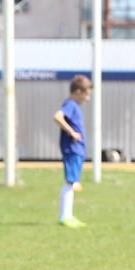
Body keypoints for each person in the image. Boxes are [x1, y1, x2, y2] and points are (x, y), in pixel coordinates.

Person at [53, 74, 92, 228]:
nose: (88, 97)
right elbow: (57, 117)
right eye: (86, 93)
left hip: (76, 149)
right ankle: (65, 216)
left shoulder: (74, 106)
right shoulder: (70, 104)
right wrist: (72, 132)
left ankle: (68, 215)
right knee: (70, 182)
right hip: (72, 148)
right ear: (78, 92)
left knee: (72, 182)